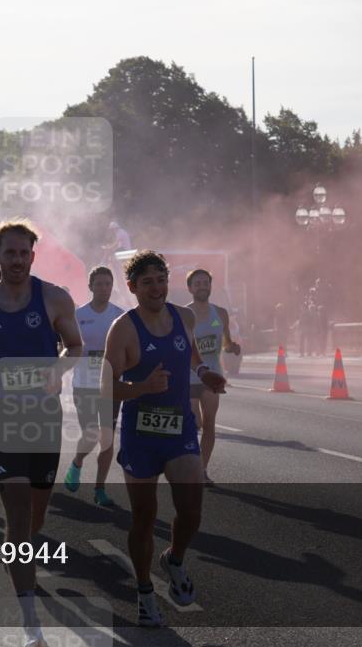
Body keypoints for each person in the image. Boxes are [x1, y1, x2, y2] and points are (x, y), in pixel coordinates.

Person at [0, 219, 82, 647]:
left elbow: (76, 347)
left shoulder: (54, 297)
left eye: (23, 253)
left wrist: (58, 371)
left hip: (44, 419)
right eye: (9, 253)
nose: (16, 260)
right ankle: (31, 623)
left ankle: (21, 557)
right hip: (2, 420)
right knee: (18, 514)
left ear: (33, 255)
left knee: (35, 519)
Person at [101, 250, 225, 628]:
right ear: (133, 288)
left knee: (191, 510)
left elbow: (189, 352)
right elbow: (106, 389)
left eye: (160, 279)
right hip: (141, 435)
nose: (156, 288)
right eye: (147, 282)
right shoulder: (123, 328)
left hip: (180, 428)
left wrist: (204, 372)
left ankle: (173, 558)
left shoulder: (183, 316)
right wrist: (141, 387)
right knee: (144, 516)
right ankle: (143, 593)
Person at [63, 266, 124, 507]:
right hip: (84, 384)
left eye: (108, 284)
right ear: (90, 287)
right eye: (99, 284)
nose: (103, 288)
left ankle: (100, 488)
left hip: (110, 385)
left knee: (107, 437)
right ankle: (77, 462)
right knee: (90, 433)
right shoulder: (78, 315)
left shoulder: (120, 316)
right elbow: (69, 346)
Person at [185, 269, 240, 485]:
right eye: (197, 283)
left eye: (205, 282)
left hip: (213, 376)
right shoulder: (185, 314)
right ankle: (188, 464)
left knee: (209, 425)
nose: (202, 286)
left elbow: (226, 342)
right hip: (189, 377)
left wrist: (232, 347)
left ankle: (202, 470)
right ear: (190, 288)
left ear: (210, 286)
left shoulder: (221, 314)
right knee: (194, 422)